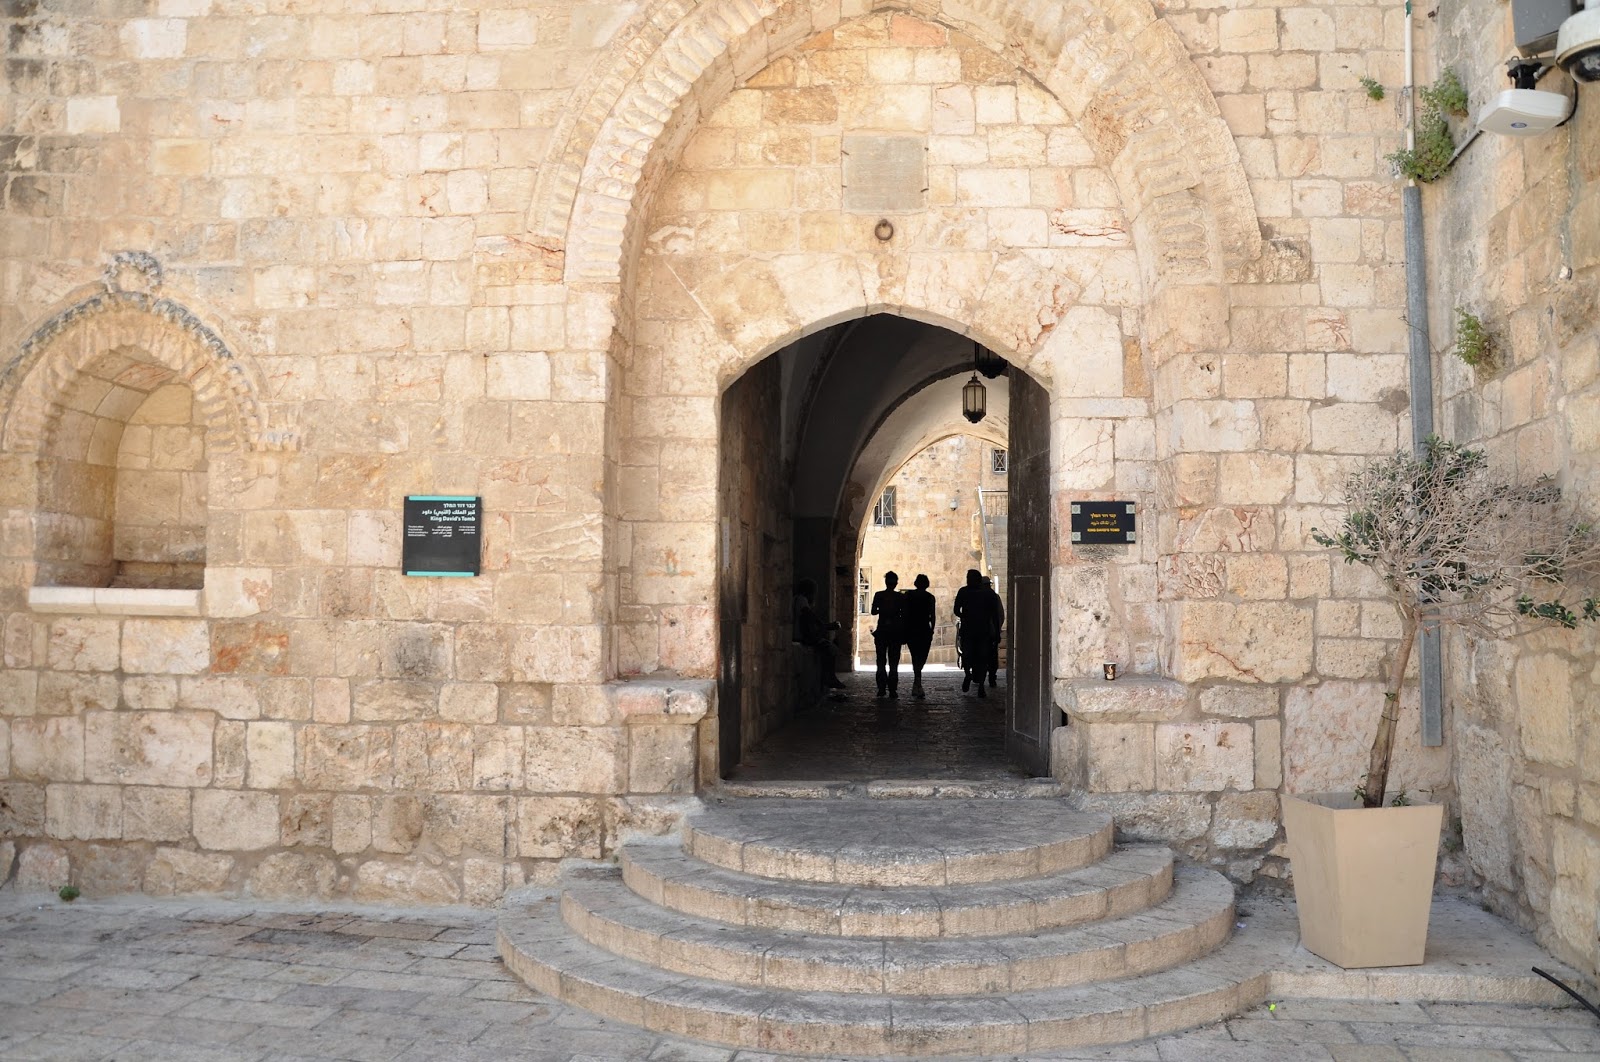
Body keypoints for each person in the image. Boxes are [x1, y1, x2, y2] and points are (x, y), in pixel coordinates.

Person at [952, 568, 999, 699]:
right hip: (982, 631)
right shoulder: (989, 595)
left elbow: (956, 610)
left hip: (970, 630)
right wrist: (996, 632)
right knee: (982, 658)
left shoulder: (963, 592)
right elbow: (994, 615)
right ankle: (980, 685)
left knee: (968, 655)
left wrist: (965, 616)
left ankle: (969, 675)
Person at [792, 579, 845, 693]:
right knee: (830, 648)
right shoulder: (801, 600)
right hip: (800, 636)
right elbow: (810, 616)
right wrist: (825, 625)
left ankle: (830, 677)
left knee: (829, 646)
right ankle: (829, 677)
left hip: (800, 635)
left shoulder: (798, 599)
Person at [869, 571, 905, 699]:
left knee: (881, 661)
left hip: (882, 631)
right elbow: (904, 614)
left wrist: (882, 609)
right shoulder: (900, 597)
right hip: (895, 632)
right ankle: (893, 690)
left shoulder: (879, 595)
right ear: (896, 583)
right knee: (894, 662)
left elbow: (873, 612)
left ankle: (881, 689)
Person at [902, 574, 937, 700]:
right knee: (922, 656)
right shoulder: (930, 598)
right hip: (924, 629)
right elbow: (933, 616)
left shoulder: (908, 596)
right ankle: (918, 682)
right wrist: (932, 629)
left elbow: (904, 614)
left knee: (915, 655)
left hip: (911, 629)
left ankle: (917, 681)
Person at [983, 576, 1005, 688]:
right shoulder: (995, 597)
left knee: (982, 655)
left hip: (982, 632)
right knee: (992, 655)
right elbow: (1001, 615)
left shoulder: (979, 597)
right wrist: (998, 629)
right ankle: (992, 677)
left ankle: (982, 678)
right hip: (992, 632)